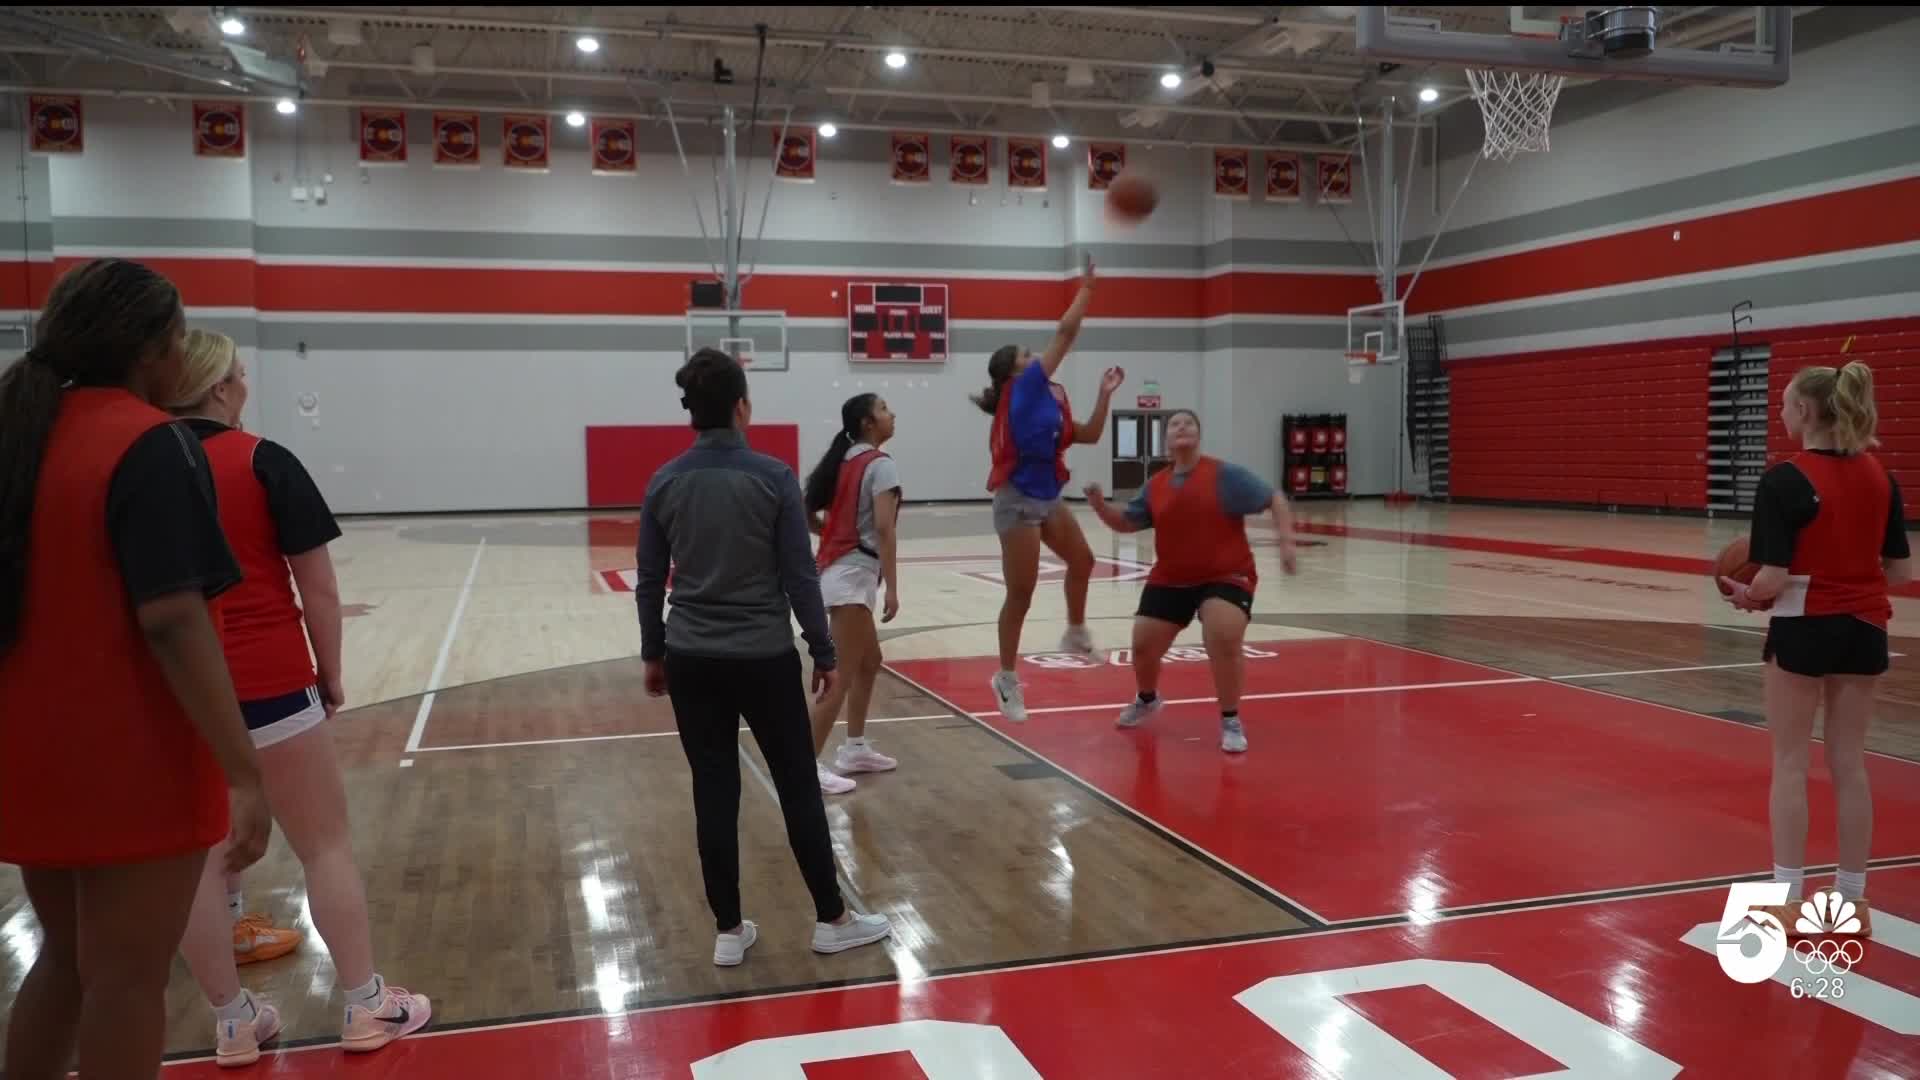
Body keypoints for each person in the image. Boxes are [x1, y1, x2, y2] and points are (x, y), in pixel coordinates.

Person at [0, 259, 272, 1080]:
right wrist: (243, 769)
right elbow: (173, 619)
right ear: (150, 347)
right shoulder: (150, 443)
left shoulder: (24, 432)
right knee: (126, 981)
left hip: (33, 748)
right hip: (132, 757)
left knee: (65, 962)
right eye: (178, 338)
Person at [159, 329, 430, 1065]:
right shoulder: (265, 461)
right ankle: (366, 1004)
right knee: (324, 845)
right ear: (220, 387)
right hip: (272, 685)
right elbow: (320, 589)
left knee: (200, 862)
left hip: (180, 694)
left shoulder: (142, 465)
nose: (246, 384)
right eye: (240, 374)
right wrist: (330, 673)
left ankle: (232, 1023)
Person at [636, 348, 893, 966]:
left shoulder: (664, 481)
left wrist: (653, 652)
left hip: (691, 656)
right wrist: (823, 650)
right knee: (798, 785)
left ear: (692, 413)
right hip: (764, 657)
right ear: (742, 407)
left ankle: (729, 932)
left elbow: (649, 580)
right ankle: (832, 920)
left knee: (713, 790)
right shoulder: (772, 477)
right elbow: (800, 575)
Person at [1722, 361, 1909, 921]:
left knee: (1791, 763)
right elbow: (1900, 571)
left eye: (1784, 404)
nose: (1780, 412)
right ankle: (1853, 898)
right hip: (1866, 627)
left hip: (1803, 626)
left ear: (1804, 411)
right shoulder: (1881, 478)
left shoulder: (1782, 480)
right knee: (1850, 763)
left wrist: (1747, 594)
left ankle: (1787, 899)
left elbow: (1773, 578)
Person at [1084, 409, 1298, 754]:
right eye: (1174, 424)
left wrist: (1286, 543)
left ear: (1198, 435)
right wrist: (1099, 506)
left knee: (1222, 635)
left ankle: (1230, 719)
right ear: (1166, 440)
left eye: (1189, 423)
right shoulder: (1156, 486)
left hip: (1226, 574)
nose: (1181, 426)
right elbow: (1126, 522)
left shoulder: (1225, 476)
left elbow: (1275, 498)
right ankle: (1147, 699)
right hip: (1172, 576)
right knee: (1142, 647)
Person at [975, 256, 1123, 721]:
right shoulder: (1021, 391)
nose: (1034, 356)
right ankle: (1005, 678)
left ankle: (1075, 631)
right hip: (1017, 500)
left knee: (1084, 560)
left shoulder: (1051, 397)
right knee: (1021, 593)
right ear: (1012, 373)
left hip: (1047, 495)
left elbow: (1090, 434)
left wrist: (1104, 395)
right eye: (1025, 354)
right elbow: (1065, 332)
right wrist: (1088, 289)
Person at [803, 393, 904, 796]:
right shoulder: (881, 464)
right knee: (840, 675)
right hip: (851, 577)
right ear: (867, 422)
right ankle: (805, 766)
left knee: (869, 661)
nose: (891, 414)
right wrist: (892, 587)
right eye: (884, 409)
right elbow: (884, 528)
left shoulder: (842, 460)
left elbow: (805, 508)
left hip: (839, 572)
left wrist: (828, 534)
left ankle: (855, 749)